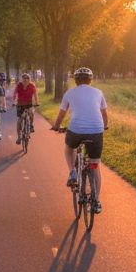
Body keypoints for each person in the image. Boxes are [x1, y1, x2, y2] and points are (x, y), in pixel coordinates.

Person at [51, 66, 108, 213]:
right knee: (95, 165)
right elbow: (104, 114)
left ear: (76, 80)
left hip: (75, 130)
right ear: (90, 80)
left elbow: (62, 113)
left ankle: (73, 173)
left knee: (69, 149)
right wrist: (105, 126)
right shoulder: (98, 92)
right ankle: (96, 201)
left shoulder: (69, 93)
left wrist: (56, 126)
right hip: (96, 132)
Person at [12, 72, 39, 144]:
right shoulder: (18, 85)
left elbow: (35, 95)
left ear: (29, 79)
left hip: (29, 104)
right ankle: (19, 137)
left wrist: (37, 102)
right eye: (24, 78)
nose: (26, 80)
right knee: (19, 120)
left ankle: (31, 125)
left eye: (28, 78)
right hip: (20, 104)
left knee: (31, 112)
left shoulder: (32, 86)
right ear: (22, 79)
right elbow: (15, 94)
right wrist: (14, 102)